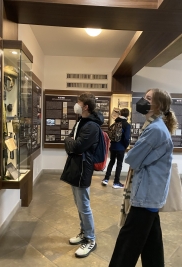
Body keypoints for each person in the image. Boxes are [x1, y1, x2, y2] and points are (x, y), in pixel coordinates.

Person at [108, 88, 178, 267]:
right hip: (150, 195)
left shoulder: (155, 130)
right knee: (151, 246)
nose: (143, 101)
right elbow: (138, 158)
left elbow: (132, 158)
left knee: (126, 246)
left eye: (148, 98)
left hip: (146, 196)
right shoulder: (157, 127)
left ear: (158, 105)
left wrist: (135, 154)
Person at [60, 92, 104, 258]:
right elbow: (72, 141)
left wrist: (69, 142)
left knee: (84, 205)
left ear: (86, 106)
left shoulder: (92, 126)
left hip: (83, 168)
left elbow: (76, 146)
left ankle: (90, 239)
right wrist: (70, 142)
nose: (76, 104)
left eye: (78, 102)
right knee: (79, 204)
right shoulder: (82, 121)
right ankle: (84, 232)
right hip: (75, 166)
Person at [102, 108, 131, 188]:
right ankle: (116, 182)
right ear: (128, 115)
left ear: (120, 114)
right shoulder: (127, 125)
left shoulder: (115, 122)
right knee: (119, 164)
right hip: (121, 147)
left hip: (113, 146)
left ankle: (106, 179)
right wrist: (125, 146)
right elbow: (126, 138)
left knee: (111, 162)